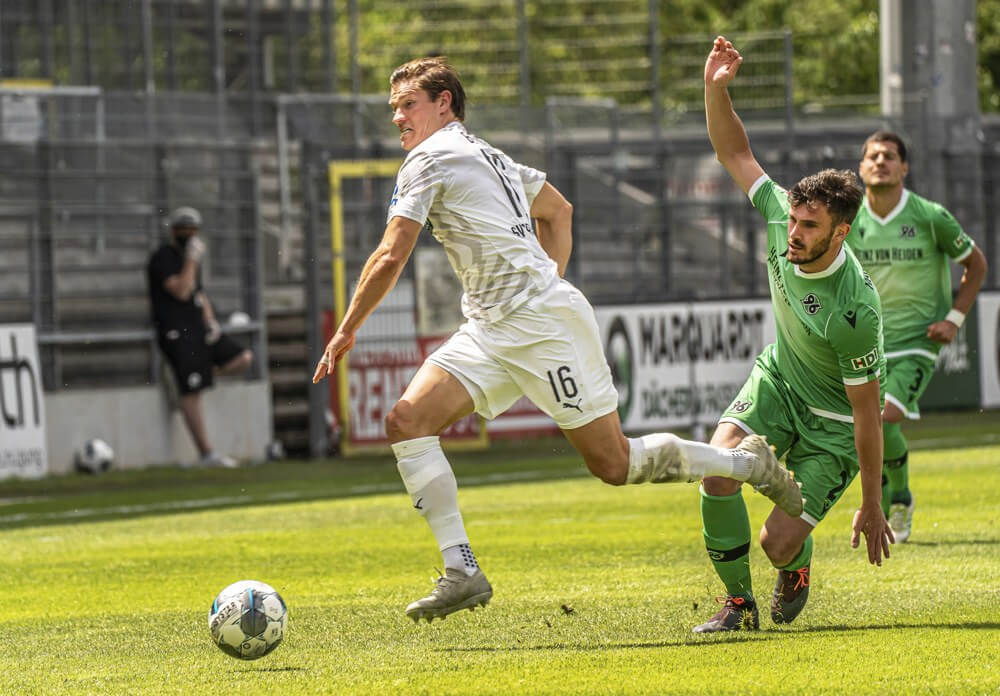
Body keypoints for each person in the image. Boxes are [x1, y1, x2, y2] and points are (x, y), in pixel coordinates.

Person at [312, 56, 803, 624]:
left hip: (539, 325)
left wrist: (348, 327)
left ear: (443, 101)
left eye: (407, 104)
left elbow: (391, 252)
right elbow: (559, 211)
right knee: (406, 421)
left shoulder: (430, 158)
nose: (397, 117)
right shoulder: (485, 153)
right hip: (493, 326)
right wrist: (546, 280)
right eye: (393, 107)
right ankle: (462, 570)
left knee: (613, 463)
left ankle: (743, 464)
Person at [696, 36, 893, 633]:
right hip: (779, 380)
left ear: (841, 232)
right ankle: (738, 605)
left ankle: (796, 566)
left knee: (776, 543)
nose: (794, 234)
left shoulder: (854, 310)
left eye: (811, 226)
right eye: (796, 220)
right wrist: (715, 90)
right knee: (716, 470)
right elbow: (735, 151)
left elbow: (866, 414)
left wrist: (872, 501)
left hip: (834, 427)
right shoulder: (782, 213)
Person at [848, 131, 988, 543]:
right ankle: (889, 498)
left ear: (904, 167)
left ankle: (900, 497)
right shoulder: (849, 220)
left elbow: (976, 266)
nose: (880, 162)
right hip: (865, 342)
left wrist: (954, 319)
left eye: (889, 156)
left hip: (916, 341)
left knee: (883, 416)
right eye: (872, 156)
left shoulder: (930, 216)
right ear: (860, 168)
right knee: (870, 423)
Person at [147, 206, 253, 469]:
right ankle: (207, 453)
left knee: (243, 358)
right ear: (172, 231)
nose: (188, 235)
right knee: (192, 391)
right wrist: (192, 261)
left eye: (192, 229)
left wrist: (210, 319)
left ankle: (194, 377)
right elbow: (182, 291)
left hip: (198, 329)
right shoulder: (164, 258)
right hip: (177, 332)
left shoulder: (189, 261)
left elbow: (198, 293)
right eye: (184, 229)